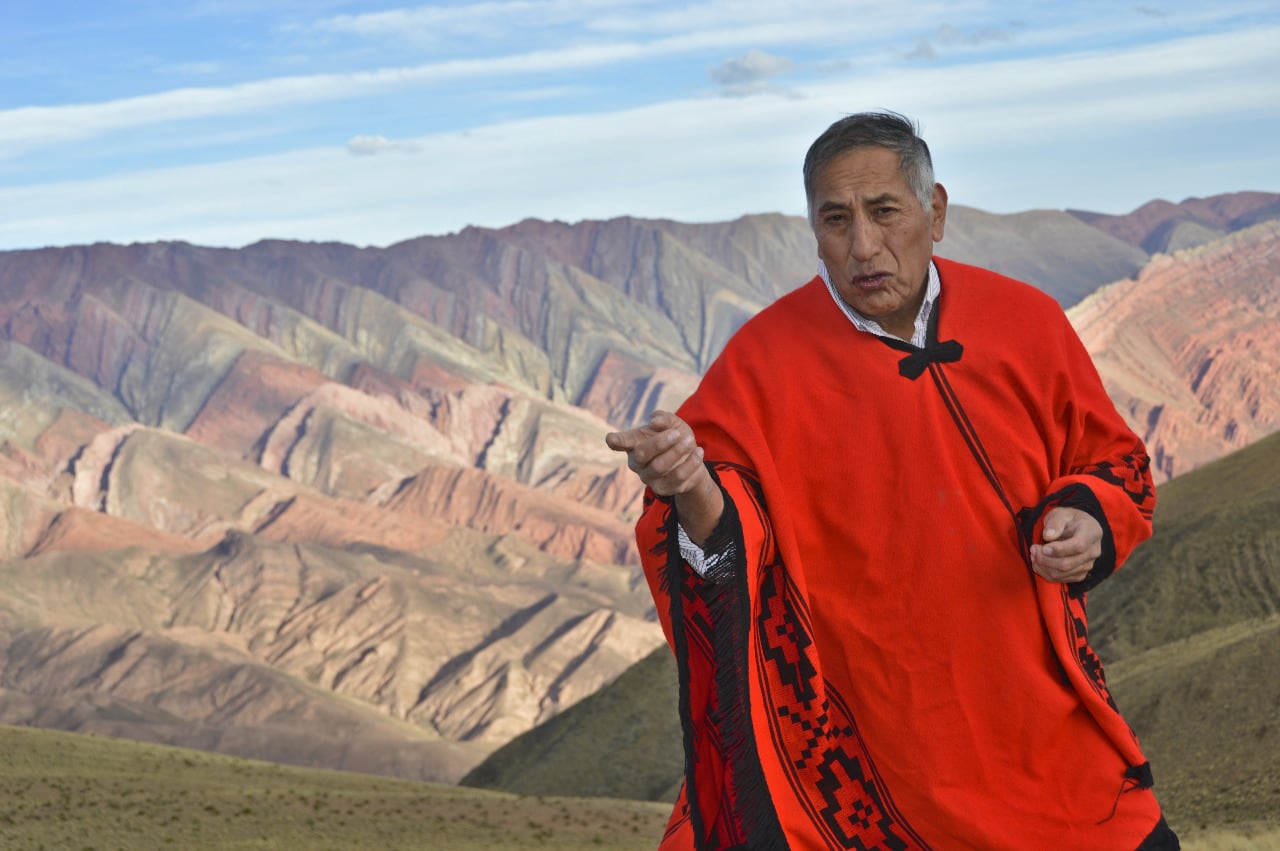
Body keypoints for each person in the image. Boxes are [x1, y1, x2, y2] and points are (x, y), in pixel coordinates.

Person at [605, 111, 1178, 850]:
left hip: (1047, 742)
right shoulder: (762, 363)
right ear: (813, 231)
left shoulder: (1026, 322)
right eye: (836, 220)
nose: (863, 246)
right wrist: (688, 482)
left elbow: (1117, 464)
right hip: (873, 763)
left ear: (934, 213)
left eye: (884, 213)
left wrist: (1091, 518)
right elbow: (723, 525)